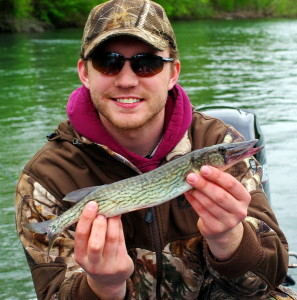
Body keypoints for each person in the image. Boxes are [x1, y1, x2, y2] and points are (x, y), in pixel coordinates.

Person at [15, 0, 296, 299]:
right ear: (85, 73)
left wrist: (230, 239)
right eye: (108, 63)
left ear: (173, 73)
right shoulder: (46, 178)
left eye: (146, 63)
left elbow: (271, 279)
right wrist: (102, 287)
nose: (126, 80)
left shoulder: (219, 142)